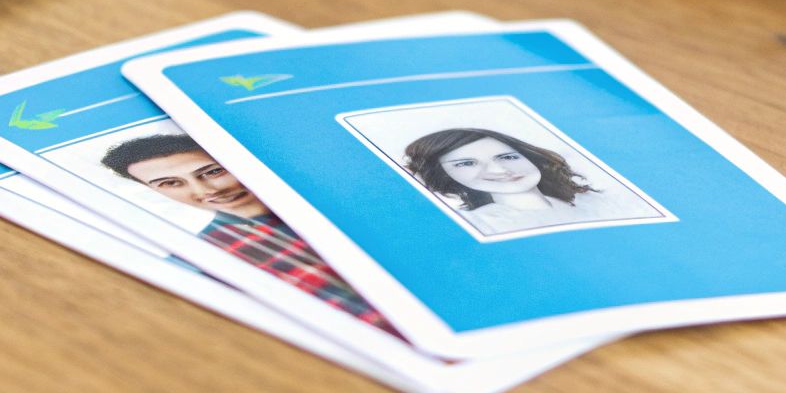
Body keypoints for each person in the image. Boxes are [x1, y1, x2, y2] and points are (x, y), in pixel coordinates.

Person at [100, 132, 396, 332]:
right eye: (169, 183)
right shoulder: (202, 258)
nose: (206, 191)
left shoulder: (343, 201)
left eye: (213, 171)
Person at [402, 127, 648, 236]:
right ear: (446, 176)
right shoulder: (481, 225)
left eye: (507, 156)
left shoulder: (603, 202)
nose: (499, 169)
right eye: (467, 163)